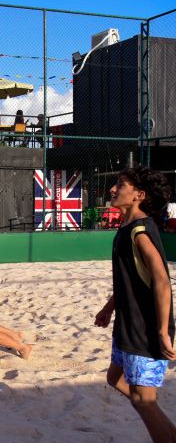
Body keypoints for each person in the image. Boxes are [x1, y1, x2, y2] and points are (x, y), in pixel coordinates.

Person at [94, 167, 176, 442]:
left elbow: (162, 282)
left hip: (145, 331)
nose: (113, 190)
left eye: (120, 185)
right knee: (115, 379)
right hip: (127, 327)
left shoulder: (140, 231)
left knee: (144, 401)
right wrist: (109, 308)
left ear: (138, 195)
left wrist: (163, 331)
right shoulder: (127, 228)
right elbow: (130, 279)